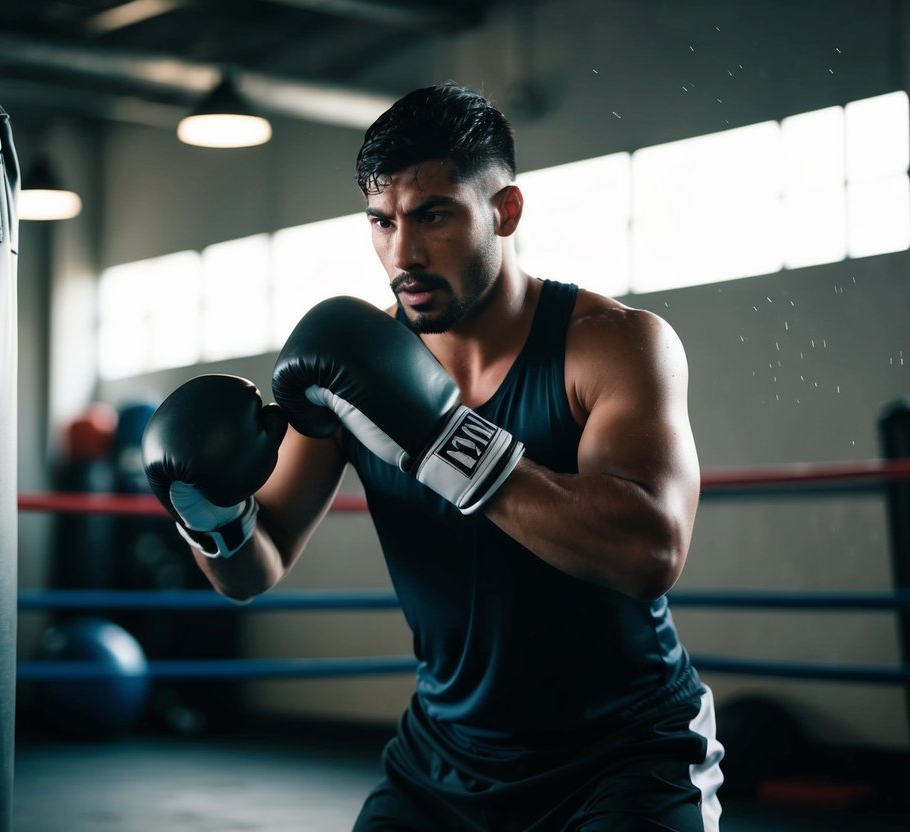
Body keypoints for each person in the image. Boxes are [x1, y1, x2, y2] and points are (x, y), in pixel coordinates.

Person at [142, 83, 724, 831]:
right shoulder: (347, 368)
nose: (403, 253)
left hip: (623, 756)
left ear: (504, 212)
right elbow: (257, 566)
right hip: (443, 763)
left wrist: (444, 442)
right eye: (380, 222)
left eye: (434, 215)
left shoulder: (611, 344)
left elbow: (649, 549)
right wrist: (209, 514)